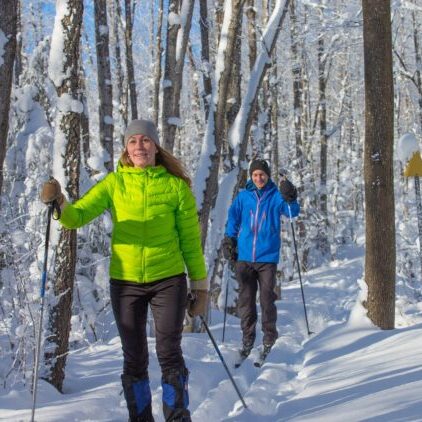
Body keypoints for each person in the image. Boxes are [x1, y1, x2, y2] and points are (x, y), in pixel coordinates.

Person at [40, 119, 208, 422]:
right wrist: (60, 203)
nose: (140, 146)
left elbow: (190, 241)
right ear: (126, 150)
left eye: (145, 140)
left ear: (156, 147)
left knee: (169, 352)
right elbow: (77, 217)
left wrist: (200, 285)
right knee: (134, 358)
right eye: (133, 141)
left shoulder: (175, 187)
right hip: (125, 282)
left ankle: (178, 417)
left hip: (168, 280)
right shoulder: (114, 184)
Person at [222, 159, 299, 360]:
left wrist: (290, 197)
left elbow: (292, 213)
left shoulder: (275, 196)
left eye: (262, 174)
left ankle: (269, 338)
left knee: (267, 299)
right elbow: (233, 218)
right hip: (245, 258)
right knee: (246, 302)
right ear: (251, 176)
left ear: (268, 175)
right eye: (255, 175)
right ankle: (247, 339)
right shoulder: (243, 197)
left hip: (267, 258)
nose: (259, 178)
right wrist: (229, 239)